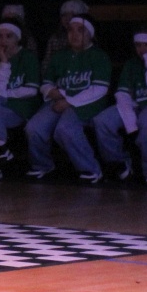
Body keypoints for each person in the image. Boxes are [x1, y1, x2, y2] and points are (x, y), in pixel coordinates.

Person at [26, 16, 112, 183]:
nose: (74, 34)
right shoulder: (60, 56)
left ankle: (91, 169)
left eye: (80, 30)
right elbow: (46, 83)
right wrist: (50, 91)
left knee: (65, 129)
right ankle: (42, 165)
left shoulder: (98, 56)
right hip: (59, 100)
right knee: (34, 127)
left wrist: (69, 102)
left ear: (91, 34)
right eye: (70, 30)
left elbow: (100, 89)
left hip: (86, 103)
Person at [0, 21, 41, 180]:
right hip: (0, 106)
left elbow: (31, 90)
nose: (3, 40)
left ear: (18, 38)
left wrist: (4, 94)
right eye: (0, 36)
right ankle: (1, 148)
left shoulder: (28, 57)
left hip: (21, 107)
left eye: (8, 36)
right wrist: (4, 62)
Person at [93, 29, 147, 181]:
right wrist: (129, 118)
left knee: (146, 124)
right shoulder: (131, 64)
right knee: (102, 121)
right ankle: (120, 163)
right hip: (134, 105)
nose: (142, 49)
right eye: (138, 45)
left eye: (146, 45)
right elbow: (123, 93)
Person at [43, 0, 89, 68]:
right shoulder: (55, 38)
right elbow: (47, 64)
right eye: (64, 15)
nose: (67, 19)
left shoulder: (87, 38)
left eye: (72, 15)